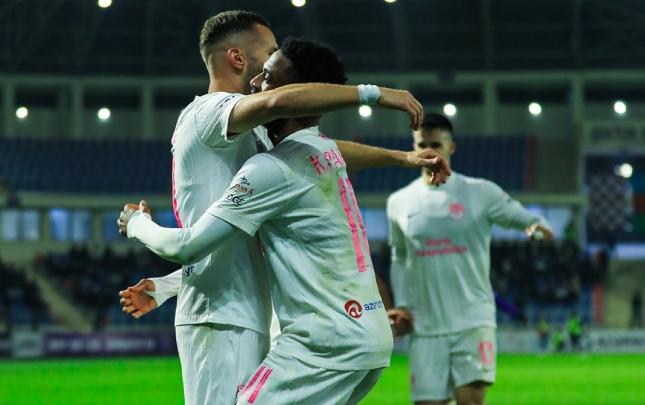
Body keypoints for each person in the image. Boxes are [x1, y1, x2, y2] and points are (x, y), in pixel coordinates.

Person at [116, 10, 450, 405]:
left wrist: (402, 158)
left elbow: (312, 145)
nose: (265, 73)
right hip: (220, 313)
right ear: (237, 58)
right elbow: (282, 105)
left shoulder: (273, 153)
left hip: (262, 314)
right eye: (269, 52)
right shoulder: (210, 113)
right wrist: (372, 94)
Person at [386, 113, 553, 405]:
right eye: (421, 145)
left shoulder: (480, 192)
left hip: (472, 320)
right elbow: (399, 258)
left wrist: (537, 228)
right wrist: (401, 304)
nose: (428, 151)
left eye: (436, 144)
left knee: (470, 401)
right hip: (425, 326)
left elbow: (527, 220)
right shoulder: (399, 202)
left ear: (451, 147)